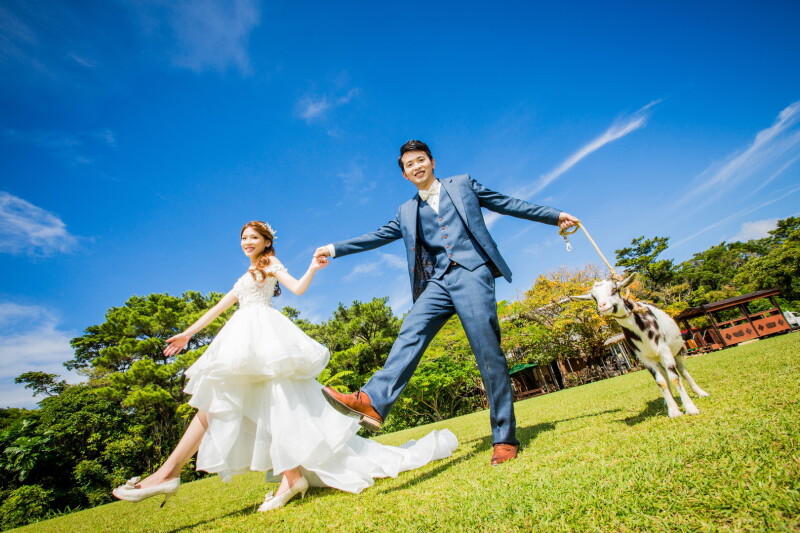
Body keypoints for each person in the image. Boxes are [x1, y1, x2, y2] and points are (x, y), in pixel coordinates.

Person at [112, 221, 457, 511]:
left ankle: (277, 478)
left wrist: (312, 268)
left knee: (263, 405)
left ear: (266, 242)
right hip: (240, 338)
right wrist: (187, 333)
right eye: (243, 238)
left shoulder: (270, 264)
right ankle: (173, 474)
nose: (247, 242)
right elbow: (220, 307)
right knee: (220, 400)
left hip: (264, 338)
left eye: (253, 237)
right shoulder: (246, 274)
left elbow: (298, 289)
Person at [316, 140, 579, 466]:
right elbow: (377, 236)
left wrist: (554, 216)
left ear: (432, 162)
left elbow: (506, 203)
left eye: (420, 160)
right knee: (410, 331)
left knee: (488, 354)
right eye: (409, 164)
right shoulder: (406, 211)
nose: (416, 166)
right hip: (437, 282)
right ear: (404, 174)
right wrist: (334, 249)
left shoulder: (463, 184)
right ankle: (372, 400)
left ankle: (504, 437)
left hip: (472, 273)